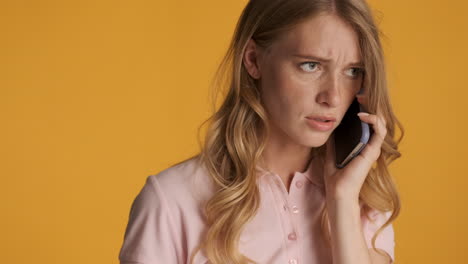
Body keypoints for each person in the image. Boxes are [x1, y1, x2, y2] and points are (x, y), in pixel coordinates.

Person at [118, 0, 404, 263]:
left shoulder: (366, 201)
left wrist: (342, 202)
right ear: (253, 60)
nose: (335, 97)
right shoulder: (171, 201)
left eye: (353, 71)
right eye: (311, 65)